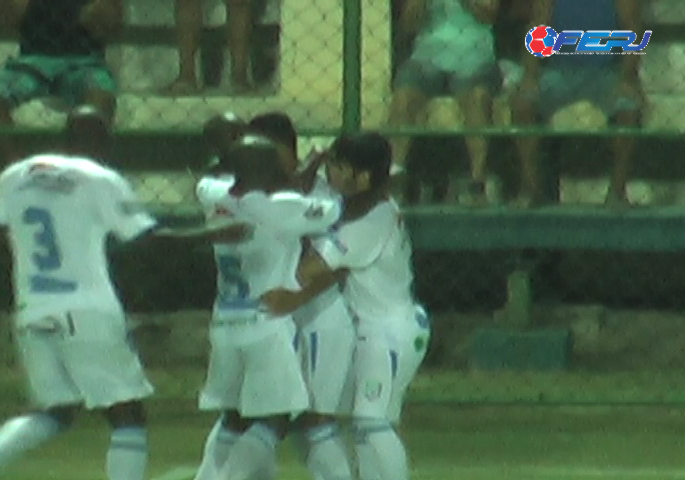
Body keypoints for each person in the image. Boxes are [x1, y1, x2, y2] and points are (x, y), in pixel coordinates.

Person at [0, 106, 153, 480]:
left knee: (55, 411)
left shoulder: (16, 175)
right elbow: (143, 238)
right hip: (88, 309)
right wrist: (210, 236)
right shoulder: (101, 177)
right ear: (105, 139)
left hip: (32, 307)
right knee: (126, 413)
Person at [261, 132, 431, 480]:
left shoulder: (373, 221)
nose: (330, 174)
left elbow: (309, 270)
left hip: (388, 332)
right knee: (362, 423)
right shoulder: (361, 204)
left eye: (338, 167)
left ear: (364, 177)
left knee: (373, 421)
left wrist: (300, 229)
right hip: (373, 329)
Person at [192, 135, 343, 480]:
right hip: (267, 325)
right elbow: (331, 209)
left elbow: (209, 180)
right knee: (275, 419)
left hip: (225, 323)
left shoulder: (214, 195)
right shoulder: (283, 209)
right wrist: (313, 168)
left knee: (232, 416)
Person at [246, 111, 355, 480]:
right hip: (279, 319)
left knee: (313, 421)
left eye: (267, 154)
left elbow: (338, 264)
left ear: (289, 153)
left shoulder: (324, 197)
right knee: (271, 417)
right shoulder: (255, 193)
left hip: (318, 317)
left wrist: (295, 299)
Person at [511, 0, 644, 207]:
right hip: (560, 71)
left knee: (628, 108)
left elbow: (632, 28)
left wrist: (627, 78)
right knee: (523, 104)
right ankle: (530, 189)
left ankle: (617, 193)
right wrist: (530, 74)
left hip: (605, 73)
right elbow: (539, 25)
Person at [388, 0, 501, 205]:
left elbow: (489, 14)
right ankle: (396, 177)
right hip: (427, 58)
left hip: (474, 58)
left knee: (477, 99)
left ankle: (477, 182)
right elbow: (408, 24)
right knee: (403, 98)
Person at [0, 0, 122, 162]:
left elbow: (112, 23)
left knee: (100, 98)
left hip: (85, 61)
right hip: (33, 62)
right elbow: (11, 18)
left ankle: (82, 169)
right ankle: (18, 166)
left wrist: (101, 12)